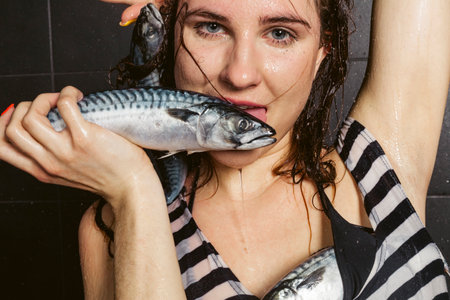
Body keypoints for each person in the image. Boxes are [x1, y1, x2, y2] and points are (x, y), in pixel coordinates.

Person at [0, 0, 448, 298]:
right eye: (210, 27)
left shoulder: (379, 162)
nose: (240, 74)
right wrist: (135, 190)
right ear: (172, 40)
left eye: (280, 33)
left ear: (321, 52)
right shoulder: (110, 226)